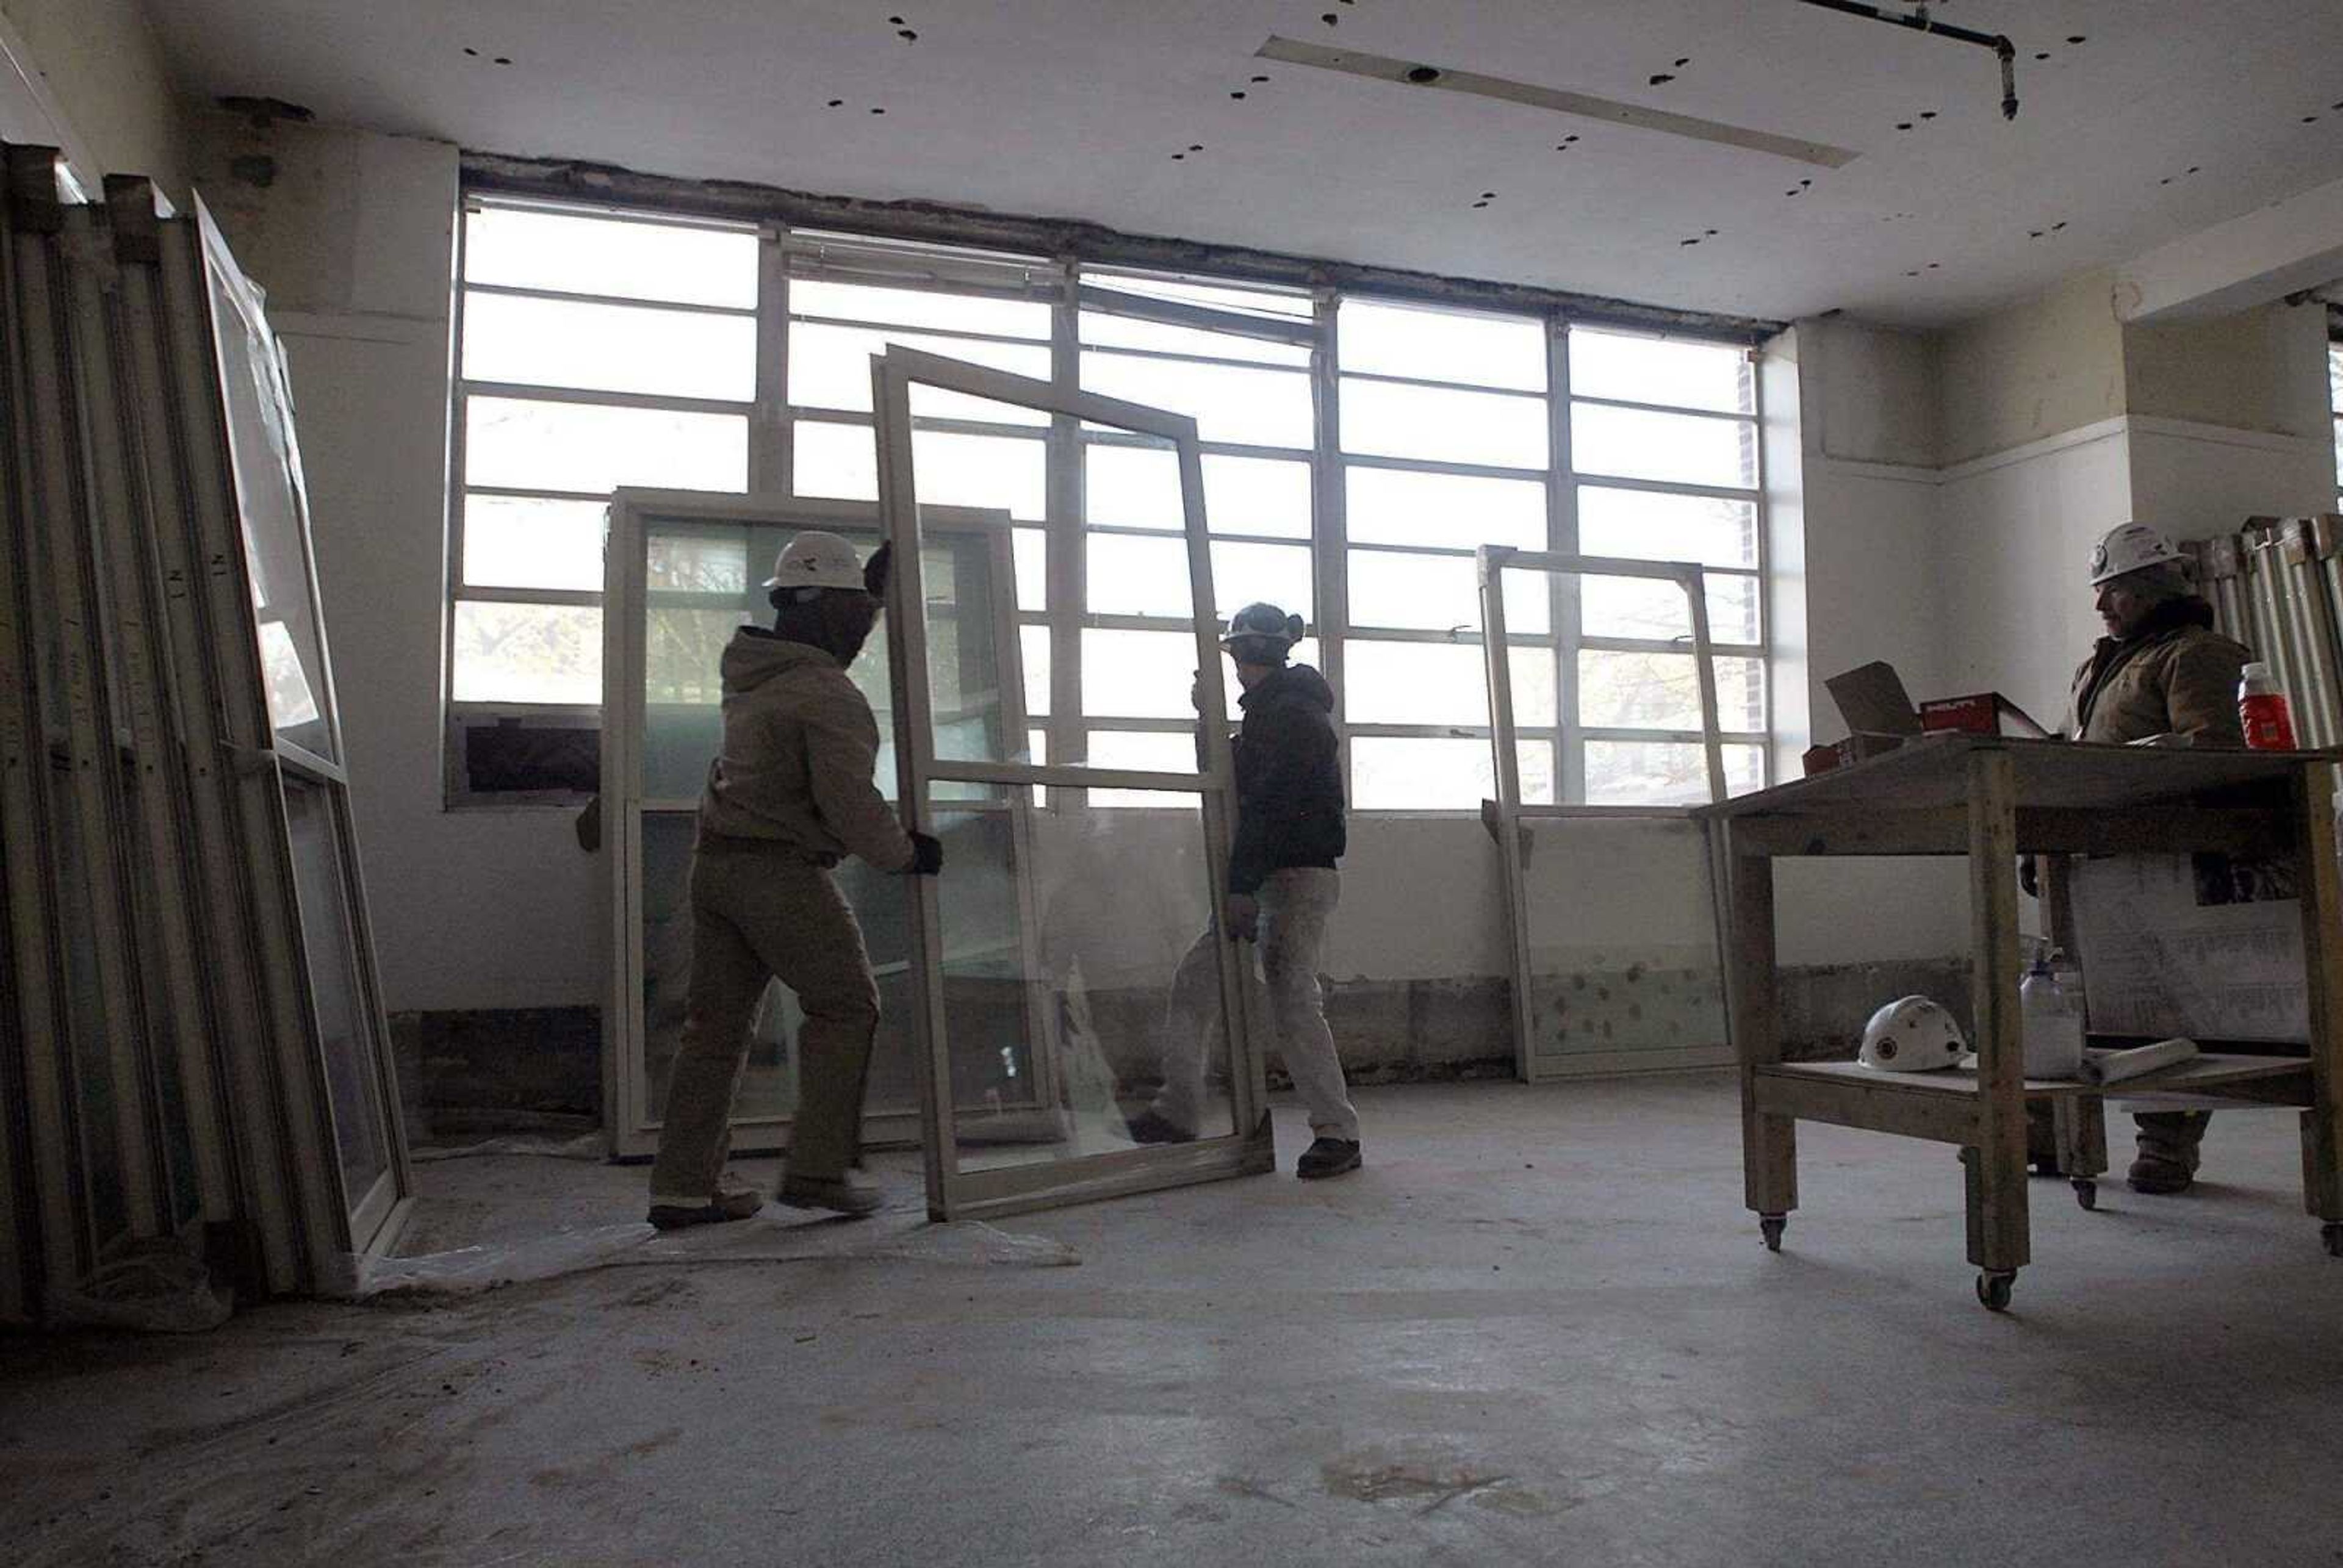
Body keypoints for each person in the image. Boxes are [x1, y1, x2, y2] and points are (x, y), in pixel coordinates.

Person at [645, 531, 943, 1230]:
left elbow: (827, 632)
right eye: (853, 612)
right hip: (776, 873)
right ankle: (817, 1168)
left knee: (713, 1030)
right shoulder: (825, 694)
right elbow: (849, 803)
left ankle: (683, 1186)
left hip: (714, 865)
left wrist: (867, 592)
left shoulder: (756, 673)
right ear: (829, 612)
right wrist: (904, 853)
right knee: (847, 1004)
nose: (857, 628)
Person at [2050, 520, 2253, 1195]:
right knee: (2078, 1005)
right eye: (2101, 594)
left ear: (2153, 590)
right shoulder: (2101, 664)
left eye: (2115, 594)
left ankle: (2167, 1141)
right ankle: (2055, 1131)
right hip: (2098, 858)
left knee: (2162, 1011)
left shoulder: (2199, 655)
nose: (2102, 607)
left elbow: (2215, 752)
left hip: (2164, 861)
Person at [1126, 603, 1362, 1179]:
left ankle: (1338, 1132)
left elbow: (1267, 811)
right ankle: (1177, 1110)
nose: (1237, 666)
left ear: (1244, 656)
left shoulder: (1292, 717)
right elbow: (1231, 782)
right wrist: (1206, 721)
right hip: (1271, 872)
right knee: (1200, 983)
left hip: (1292, 876)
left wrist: (1240, 887)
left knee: (1291, 999)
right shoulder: (1273, 714)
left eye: (1237, 655)